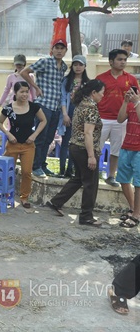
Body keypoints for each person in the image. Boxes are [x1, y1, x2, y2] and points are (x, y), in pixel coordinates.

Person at [46, 79, 105, 227]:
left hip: (74, 147)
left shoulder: (81, 103)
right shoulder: (91, 107)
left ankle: (56, 202)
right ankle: (86, 216)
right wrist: (91, 156)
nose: (103, 96)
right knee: (91, 183)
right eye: (102, 93)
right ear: (94, 93)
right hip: (84, 149)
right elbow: (88, 133)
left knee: (78, 179)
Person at [20, 37, 68, 178]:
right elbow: (24, 72)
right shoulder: (45, 62)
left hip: (55, 107)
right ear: (52, 50)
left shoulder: (64, 66)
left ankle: (41, 164)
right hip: (43, 104)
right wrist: (35, 87)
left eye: (62, 48)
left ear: (65, 51)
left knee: (48, 138)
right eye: (56, 48)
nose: (59, 51)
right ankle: (35, 166)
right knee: (40, 137)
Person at [0, 82, 47, 208]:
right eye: (22, 92)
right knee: (8, 171)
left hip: (28, 145)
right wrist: (8, 134)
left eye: (26, 91)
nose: (25, 94)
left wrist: (34, 135)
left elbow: (43, 121)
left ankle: (24, 197)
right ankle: (6, 194)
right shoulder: (8, 108)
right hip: (12, 144)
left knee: (26, 172)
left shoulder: (34, 107)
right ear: (16, 93)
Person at [96, 49, 138, 187]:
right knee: (97, 148)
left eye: (125, 60)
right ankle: (93, 174)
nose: (123, 62)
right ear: (111, 61)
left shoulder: (131, 79)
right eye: (120, 59)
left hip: (121, 120)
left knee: (116, 150)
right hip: (102, 117)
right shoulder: (101, 78)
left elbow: (136, 99)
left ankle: (111, 176)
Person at [58, 55, 89, 177]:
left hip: (81, 114)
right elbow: (62, 98)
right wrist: (65, 114)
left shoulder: (87, 83)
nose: (78, 67)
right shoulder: (66, 81)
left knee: (76, 143)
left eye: (81, 65)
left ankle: (71, 169)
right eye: (75, 64)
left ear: (85, 66)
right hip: (69, 111)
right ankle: (62, 170)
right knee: (65, 142)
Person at [115, 86, 140, 227]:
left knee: (138, 183)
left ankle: (137, 215)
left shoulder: (136, 103)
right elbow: (120, 119)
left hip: (139, 149)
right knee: (123, 179)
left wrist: (136, 103)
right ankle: (132, 208)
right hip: (127, 146)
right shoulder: (132, 102)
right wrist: (125, 102)